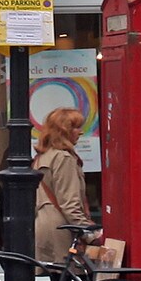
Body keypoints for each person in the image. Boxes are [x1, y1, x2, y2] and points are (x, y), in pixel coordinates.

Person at [32, 106, 93, 266]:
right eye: (75, 127)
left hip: (43, 226)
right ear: (63, 131)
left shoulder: (42, 157)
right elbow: (69, 203)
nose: (80, 132)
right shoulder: (63, 158)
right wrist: (89, 231)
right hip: (61, 230)